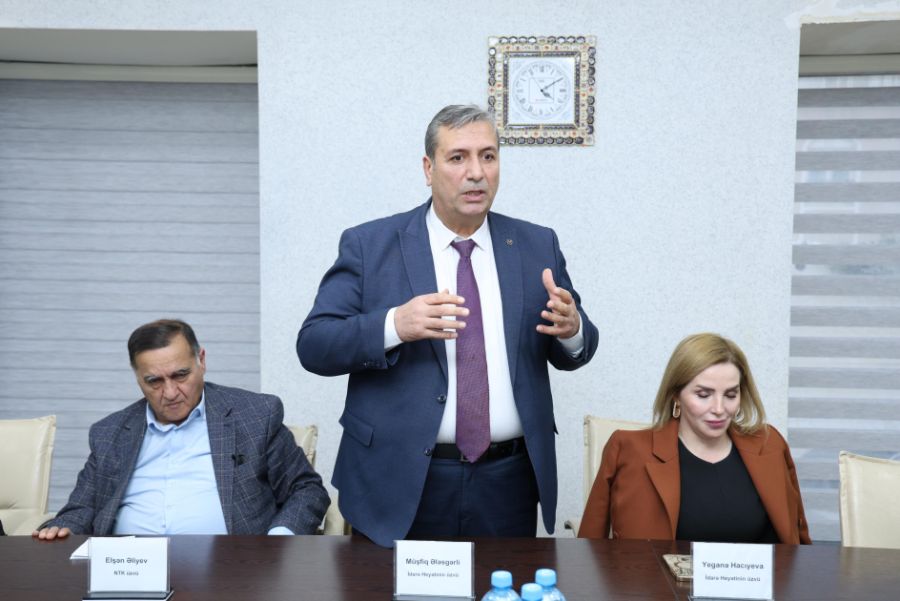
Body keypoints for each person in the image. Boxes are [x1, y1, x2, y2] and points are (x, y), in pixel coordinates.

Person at [297, 105, 598, 547]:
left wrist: (572, 330)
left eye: (488, 156)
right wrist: (395, 325)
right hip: (397, 478)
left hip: (508, 480)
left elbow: (577, 344)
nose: (476, 172)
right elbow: (314, 345)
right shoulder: (370, 245)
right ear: (428, 168)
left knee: (501, 585)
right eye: (458, 157)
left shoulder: (536, 244)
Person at [34, 319, 329, 539]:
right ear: (138, 378)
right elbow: (81, 508)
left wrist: (277, 541)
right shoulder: (110, 432)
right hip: (130, 570)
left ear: (201, 361)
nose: (171, 392)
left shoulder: (254, 415)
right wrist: (63, 527)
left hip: (233, 569)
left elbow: (306, 490)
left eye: (180, 375)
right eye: (154, 381)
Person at [578, 333, 810, 544]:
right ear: (675, 395)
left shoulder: (770, 444)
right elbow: (589, 548)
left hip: (762, 579)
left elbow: (799, 546)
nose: (719, 409)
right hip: (656, 579)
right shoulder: (629, 450)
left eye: (730, 395)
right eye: (703, 395)